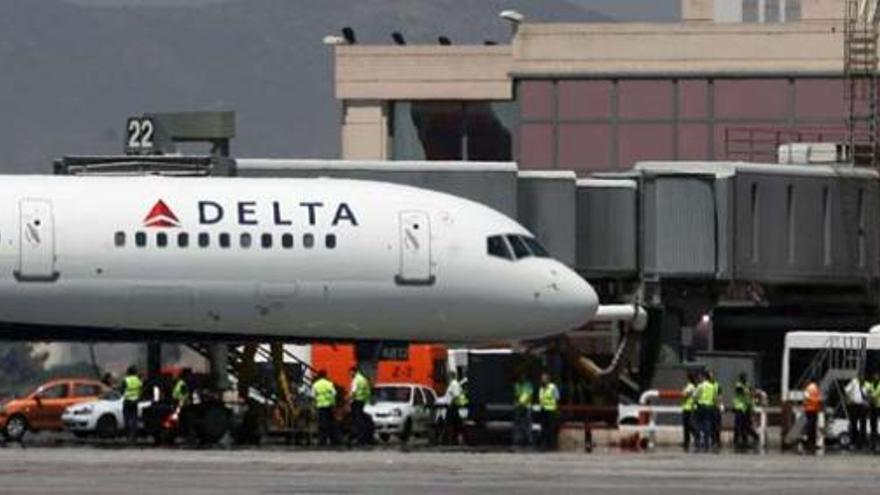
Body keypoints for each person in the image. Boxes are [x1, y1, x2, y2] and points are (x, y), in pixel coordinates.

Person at [312, 370, 338, 447]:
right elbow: (334, 393)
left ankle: (322, 440)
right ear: (325, 375)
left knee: (322, 424)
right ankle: (333, 440)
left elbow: (313, 396)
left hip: (320, 406)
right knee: (331, 424)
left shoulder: (316, 385)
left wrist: (314, 406)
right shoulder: (329, 383)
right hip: (329, 406)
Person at [733, 373, 758, 450]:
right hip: (739, 408)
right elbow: (742, 392)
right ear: (741, 379)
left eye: (745, 378)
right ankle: (736, 441)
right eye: (744, 378)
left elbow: (751, 393)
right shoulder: (738, 385)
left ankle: (747, 440)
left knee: (746, 425)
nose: (745, 379)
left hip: (746, 408)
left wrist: (753, 393)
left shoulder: (747, 385)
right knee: (738, 426)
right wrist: (751, 392)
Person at [348, 366, 371, 446]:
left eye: (350, 372)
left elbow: (353, 392)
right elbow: (367, 390)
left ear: (354, 371)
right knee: (362, 420)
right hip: (363, 401)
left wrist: (348, 400)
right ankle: (364, 438)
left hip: (356, 401)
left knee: (357, 421)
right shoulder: (363, 379)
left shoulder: (356, 380)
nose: (350, 374)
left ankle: (359, 438)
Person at [444, 371, 467, 445]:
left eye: (448, 375)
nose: (447, 377)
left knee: (451, 424)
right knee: (456, 425)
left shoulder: (454, 384)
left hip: (452, 407)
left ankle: (450, 440)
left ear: (451, 376)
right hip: (453, 407)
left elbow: (456, 395)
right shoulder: (453, 384)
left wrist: (451, 405)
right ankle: (454, 440)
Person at [695, 371, 716, 452]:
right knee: (707, 425)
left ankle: (698, 442)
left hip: (701, 406)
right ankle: (707, 443)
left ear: (704, 377)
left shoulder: (701, 386)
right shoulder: (712, 386)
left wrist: (696, 403)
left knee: (698, 424)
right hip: (709, 407)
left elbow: (695, 396)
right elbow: (714, 398)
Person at [120, 365, 143, 443]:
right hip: (135, 401)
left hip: (127, 401)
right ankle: (133, 436)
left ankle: (127, 435)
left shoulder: (125, 380)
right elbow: (141, 389)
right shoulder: (138, 380)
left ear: (128, 372)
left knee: (126, 418)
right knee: (134, 419)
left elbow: (121, 391)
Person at [538, 372, 560, 451]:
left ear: (548, 379)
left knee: (551, 428)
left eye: (543, 378)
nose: (542, 380)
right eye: (541, 378)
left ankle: (552, 445)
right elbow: (541, 399)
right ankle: (544, 445)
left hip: (551, 410)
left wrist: (556, 409)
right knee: (544, 428)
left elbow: (557, 398)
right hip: (543, 410)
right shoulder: (541, 388)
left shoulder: (552, 387)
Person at [845, 374, 867, 450]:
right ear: (858, 377)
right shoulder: (854, 382)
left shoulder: (864, 385)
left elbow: (864, 395)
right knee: (854, 423)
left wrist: (865, 400)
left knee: (862, 424)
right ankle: (853, 442)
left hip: (861, 406)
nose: (862, 379)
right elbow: (846, 390)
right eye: (861, 377)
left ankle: (861, 443)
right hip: (854, 405)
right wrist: (849, 398)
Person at [512, 373, 534, 448]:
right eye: (521, 377)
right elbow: (516, 395)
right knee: (518, 424)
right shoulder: (517, 385)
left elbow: (528, 395)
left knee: (527, 424)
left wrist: (520, 402)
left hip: (526, 406)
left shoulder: (528, 385)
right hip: (519, 407)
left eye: (523, 377)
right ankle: (518, 439)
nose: (522, 378)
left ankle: (528, 440)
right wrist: (517, 403)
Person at [803, 380, 822, 454]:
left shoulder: (807, 389)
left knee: (809, 427)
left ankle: (809, 443)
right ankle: (813, 443)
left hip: (809, 410)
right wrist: (816, 402)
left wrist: (811, 402)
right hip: (815, 409)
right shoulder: (816, 388)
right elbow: (819, 398)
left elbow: (807, 398)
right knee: (814, 427)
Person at [681, 373, 697, 452]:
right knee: (688, 426)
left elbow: (684, 394)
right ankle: (687, 441)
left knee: (688, 426)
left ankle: (689, 440)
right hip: (688, 407)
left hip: (688, 408)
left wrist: (683, 393)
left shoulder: (690, 386)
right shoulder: (693, 386)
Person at [872, 372, 880, 452]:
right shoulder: (872, 384)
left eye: (876, 376)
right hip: (874, 406)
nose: (875, 377)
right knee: (874, 423)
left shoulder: (879, 385)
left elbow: (875, 394)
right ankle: (874, 443)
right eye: (874, 376)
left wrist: (870, 395)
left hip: (878, 406)